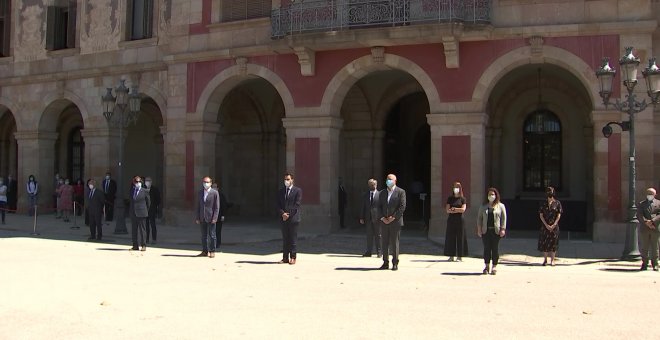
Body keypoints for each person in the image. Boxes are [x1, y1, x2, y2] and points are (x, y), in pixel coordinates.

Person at [378, 174, 406, 271]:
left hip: (395, 222)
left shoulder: (401, 192)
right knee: (384, 243)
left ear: (395, 181)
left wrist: (393, 217)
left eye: (390, 179)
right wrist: (382, 217)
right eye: (387, 179)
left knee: (394, 243)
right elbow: (377, 207)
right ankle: (385, 262)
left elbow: (402, 207)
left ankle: (395, 263)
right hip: (384, 222)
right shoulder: (382, 193)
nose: (388, 181)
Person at [477, 187, 507, 275]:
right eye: (490, 194)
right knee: (486, 249)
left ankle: (494, 266)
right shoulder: (483, 206)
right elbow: (479, 218)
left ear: (496, 195)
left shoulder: (501, 206)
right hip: (486, 231)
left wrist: (503, 229)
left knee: (495, 249)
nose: (491, 196)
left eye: (493, 194)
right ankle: (486, 266)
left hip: (496, 231)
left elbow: (504, 218)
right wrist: (479, 229)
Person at [277, 172, 302, 265]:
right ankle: (285, 258)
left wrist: (288, 215)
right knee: (285, 239)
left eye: (288, 179)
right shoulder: (281, 191)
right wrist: (282, 213)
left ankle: (293, 257)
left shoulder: (297, 191)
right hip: (283, 219)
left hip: (293, 219)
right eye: (285, 179)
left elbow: (297, 205)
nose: (286, 181)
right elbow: (278, 204)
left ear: (292, 180)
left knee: (292, 239)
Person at [195, 176, 220, 258]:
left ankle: (212, 251)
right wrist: (197, 217)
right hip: (202, 217)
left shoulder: (214, 193)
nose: (206, 183)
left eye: (207, 182)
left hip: (211, 217)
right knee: (203, 236)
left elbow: (216, 207)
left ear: (211, 183)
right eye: (204, 182)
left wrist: (215, 218)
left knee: (212, 235)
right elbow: (198, 206)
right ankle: (204, 251)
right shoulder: (200, 192)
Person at [538, 186, 562, 266]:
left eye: (551, 192)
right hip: (545, 225)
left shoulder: (557, 203)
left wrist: (554, 224)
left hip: (554, 225)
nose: (550, 193)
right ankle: (545, 260)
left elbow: (559, 215)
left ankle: (552, 260)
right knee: (544, 241)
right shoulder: (543, 203)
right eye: (548, 192)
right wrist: (546, 225)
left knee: (554, 242)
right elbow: (541, 215)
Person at [444, 182, 468, 262]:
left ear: (460, 188)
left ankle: (460, 256)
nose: (456, 188)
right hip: (451, 220)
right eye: (455, 187)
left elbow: (463, 209)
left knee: (460, 237)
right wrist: (455, 210)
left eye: (458, 187)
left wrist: (455, 209)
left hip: (460, 220)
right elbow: (447, 210)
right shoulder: (450, 198)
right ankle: (451, 255)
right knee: (451, 237)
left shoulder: (463, 199)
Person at [638, 188, 660, 271]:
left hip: (655, 228)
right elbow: (639, 215)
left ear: (655, 195)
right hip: (645, 228)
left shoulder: (658, 203)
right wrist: (646, 222)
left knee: (655, 247)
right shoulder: (641, 204)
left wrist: (652, 221)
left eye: (651, 193)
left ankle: (655, 264)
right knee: (644, 247)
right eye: (648, 193)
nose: (649, 195)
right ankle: (644, 263)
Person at [359, 178, 382, 257]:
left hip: (377, 218)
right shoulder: (365, 195)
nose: (373, 186)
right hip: (368, 218)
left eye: (374, 184)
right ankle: (369, 251)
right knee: (369, 235)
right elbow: (363, 206)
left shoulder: (380, 194)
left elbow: (382, 207)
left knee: (378, 236)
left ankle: (379, 252)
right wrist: (361, 217)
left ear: (376, 185)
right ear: (369, 185)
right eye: (371, 185)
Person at [129, 176, 150, 251]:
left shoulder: (145, 191)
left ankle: (143, 245)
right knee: (134, 230)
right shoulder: (132, 190)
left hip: (142, 213)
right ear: (134, 183)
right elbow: (131, 201)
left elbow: (148, 203)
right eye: (136, 182)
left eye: (139, 182)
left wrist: (145, 210)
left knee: (142, 230)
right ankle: (135, 245)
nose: (138, 183)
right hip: (133, 213)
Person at [144, 177, 161, 244]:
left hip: (152, 210)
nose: (147, 182)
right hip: (145, 210)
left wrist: (154, 206)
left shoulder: (155, 189)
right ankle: (147, 239)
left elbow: (158, 199)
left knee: (152, 224)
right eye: (146, 181)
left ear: (151, 182)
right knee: (146, 225)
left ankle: (154, 239)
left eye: (148, 181)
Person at [211, 182, 228, 250]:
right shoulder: (210, 195)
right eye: (213, 187)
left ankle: (218, 243)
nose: (214, 188)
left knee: (218, 230)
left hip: (219, 216)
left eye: (215, 187)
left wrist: (223, 215)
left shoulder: (221, 195)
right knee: (212, 231)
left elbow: (224, 206)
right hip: (211, 216)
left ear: (218, 188)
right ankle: (212, 243)